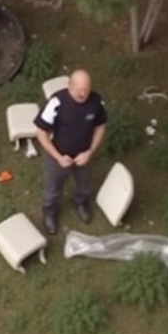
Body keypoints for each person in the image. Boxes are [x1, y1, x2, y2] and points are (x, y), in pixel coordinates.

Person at [33, 69, 108, 235]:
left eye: (86, 90)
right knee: (52, 188)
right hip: (58, 156)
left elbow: (100, 126)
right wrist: (58, 157)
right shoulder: (57, 103)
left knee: (84, 184)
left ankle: (81, 203)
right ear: (69, 86)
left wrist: (90, 151)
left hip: (83, 156)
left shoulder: (96, 102)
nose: (83, 94)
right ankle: (49, 213)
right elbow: (40, 132)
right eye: (79, 90)